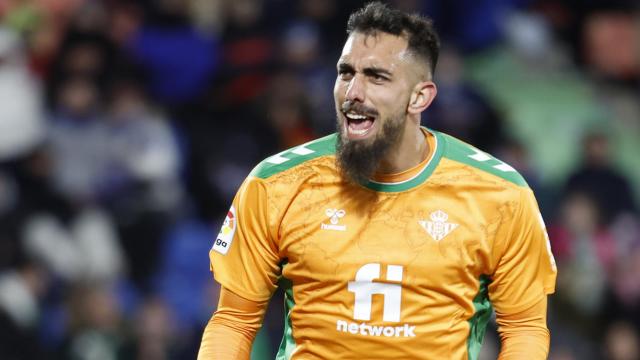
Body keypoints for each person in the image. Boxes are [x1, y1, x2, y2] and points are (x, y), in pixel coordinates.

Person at [199, 2, 557, 359]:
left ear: (420, 96)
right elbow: (233, 320)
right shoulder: (277, 183)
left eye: (377, 76)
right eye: (345, 72)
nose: (353, 92)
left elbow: (524, 327)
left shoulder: (499, 194)